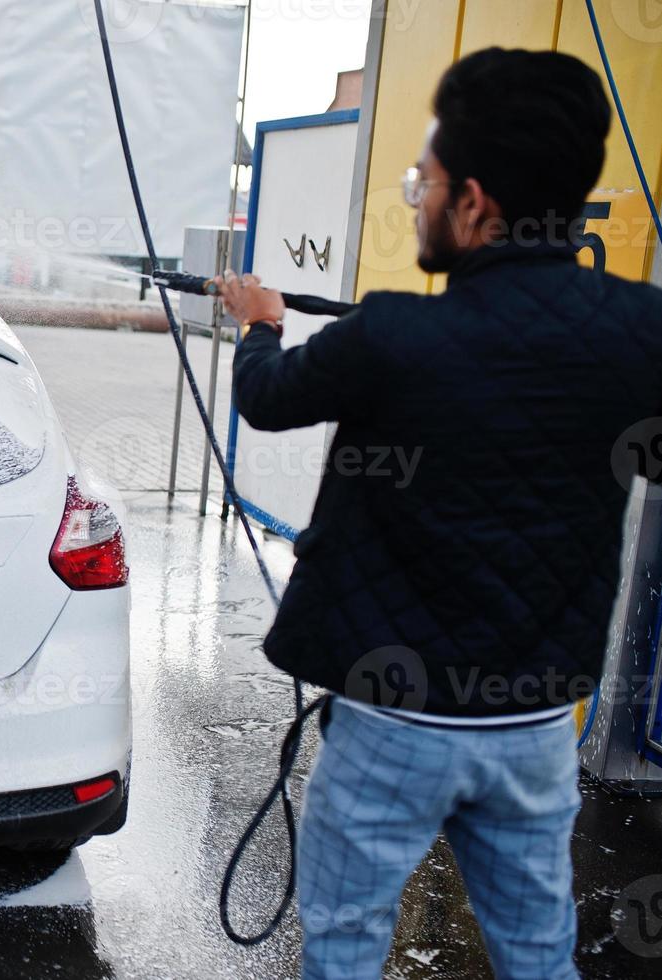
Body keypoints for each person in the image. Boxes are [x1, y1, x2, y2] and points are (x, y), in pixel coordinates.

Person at [217, 47, 662, 979]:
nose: (416, 197)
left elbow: (266, 396)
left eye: (424, 181)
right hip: (536, 728)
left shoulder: (390, 335)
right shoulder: (638, 330)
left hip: (390, 727)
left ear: (472, 204)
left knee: (341, 950)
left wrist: (258, 320)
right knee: (538, 956)